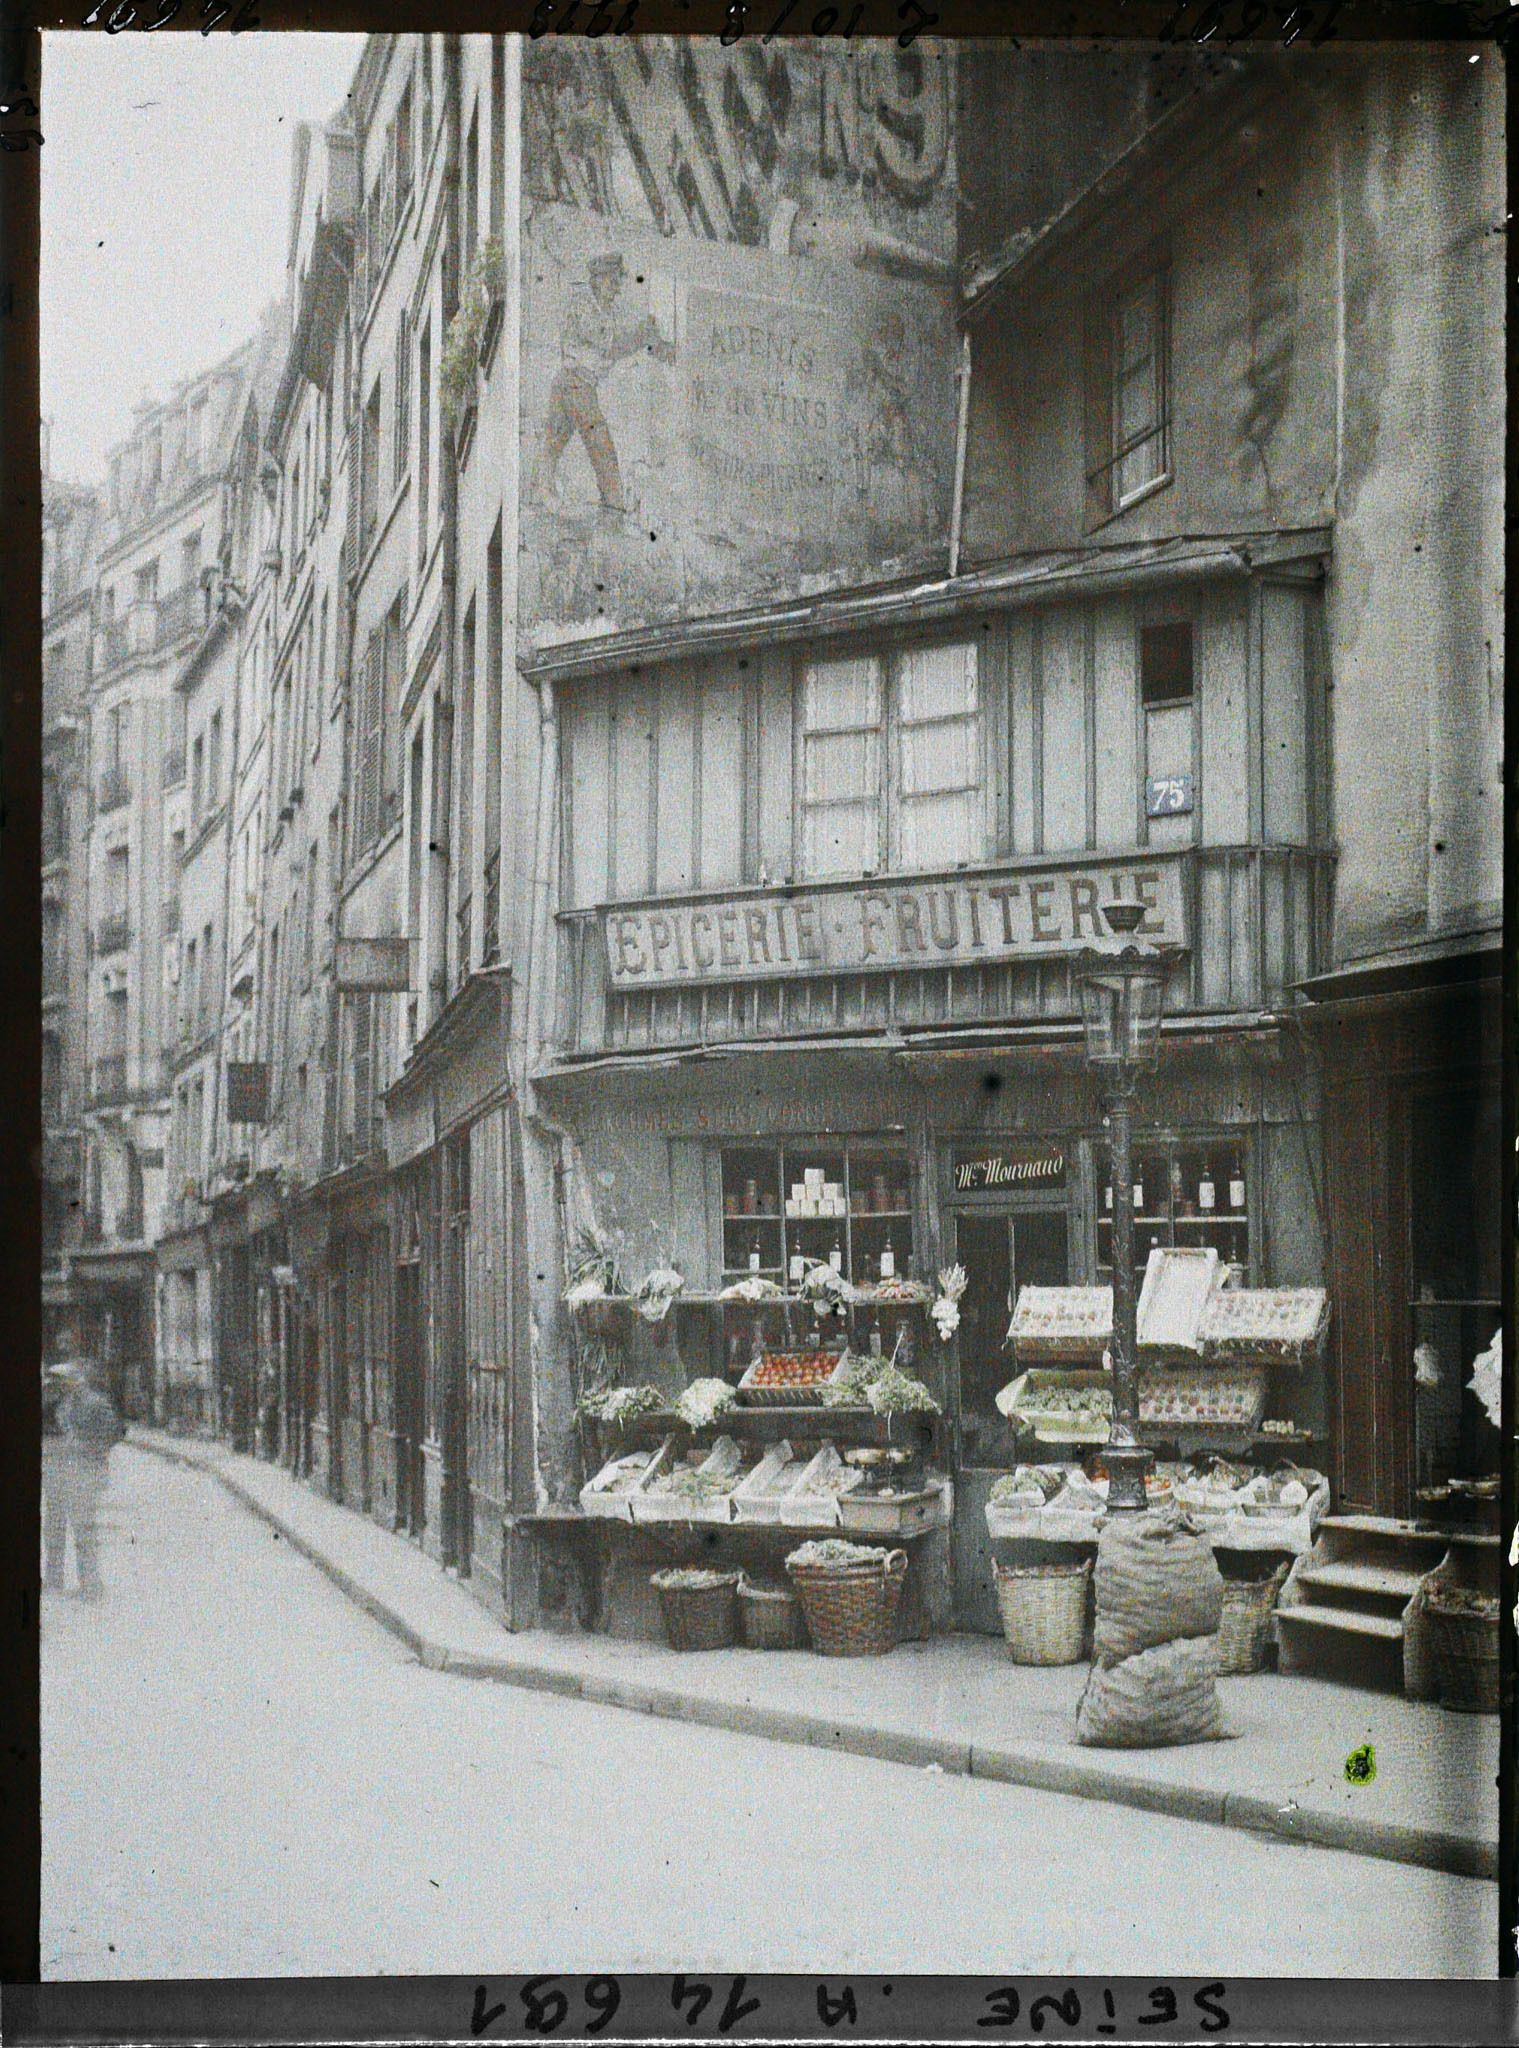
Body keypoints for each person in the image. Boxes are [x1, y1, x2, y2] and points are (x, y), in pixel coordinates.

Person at [43, 1355, 124, 1600]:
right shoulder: (61, 1404)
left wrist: (87, 1447)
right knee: (54, 1529)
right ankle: (54, 1580)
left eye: (61, 1382)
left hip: (84, 1476)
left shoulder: (95, 1403)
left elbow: (115, 1432)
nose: (57, 1387)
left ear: (75, 1381)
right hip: (59, 1476)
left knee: (84, 1531)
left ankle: (91, 1585)